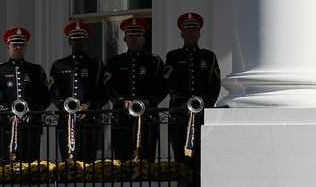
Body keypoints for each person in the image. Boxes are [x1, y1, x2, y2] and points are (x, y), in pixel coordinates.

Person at [105, 17, 167, 162]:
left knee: (147, 159)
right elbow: (108, 85)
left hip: (148, 118)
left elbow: (163, 87)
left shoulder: (154, 62)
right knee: (122, 159)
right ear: (125, 38)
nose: (134, 38)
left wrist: (147, 102)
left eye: (138, 35)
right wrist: (121, 101)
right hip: (122, 119)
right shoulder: (115, 61)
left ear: (144, 38)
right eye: (131, 35)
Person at [0, 27, 50, 164]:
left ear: (25, 47)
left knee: (30, 164)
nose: (18, 47)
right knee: (7, 164)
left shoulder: (36, 70)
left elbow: (45, 94)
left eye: (21, 45)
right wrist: (7, 114)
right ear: (8, 47)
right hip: (7, 125)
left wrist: (34, 112)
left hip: (31, 125)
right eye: (14, 45)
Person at [164, 13, 221, 164]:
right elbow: (169, 80)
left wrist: (207, 104)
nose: (191, 33)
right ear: (182, 34)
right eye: (188, 30)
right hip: (179, 115)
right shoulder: (173, 56)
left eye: (194, 30)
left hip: (202, 115)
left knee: (202, 158)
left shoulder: (209, 57)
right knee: (180, 157)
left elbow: (215, 82)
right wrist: (181, 102)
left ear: (199, 34)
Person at [48, 21, 107, 163]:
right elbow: (52, 90)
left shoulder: (97, 65)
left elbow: (104, 91)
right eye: (75, 39)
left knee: (88, 162)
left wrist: (89, 105)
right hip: (65, 122)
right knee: (67, 161)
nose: (78, 42)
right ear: (70, 41)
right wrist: (63, 106)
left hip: (89, 122)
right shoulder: (58, 65)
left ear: (87, 41)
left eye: (81, 39)